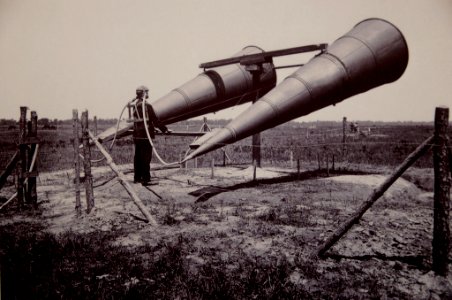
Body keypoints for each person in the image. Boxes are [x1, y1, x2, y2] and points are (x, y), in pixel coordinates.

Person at [132, 85, 169, 185]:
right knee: (146, 157)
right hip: (145, 135)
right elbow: (155, 120)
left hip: (137, 136)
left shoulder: (135, 105)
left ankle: (137, 178)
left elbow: (143, 120)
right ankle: (146, 179)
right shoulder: (147, 106)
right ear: (143, 93)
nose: (148, 94)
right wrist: (165, 129)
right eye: (147, 92)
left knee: (138, 157)